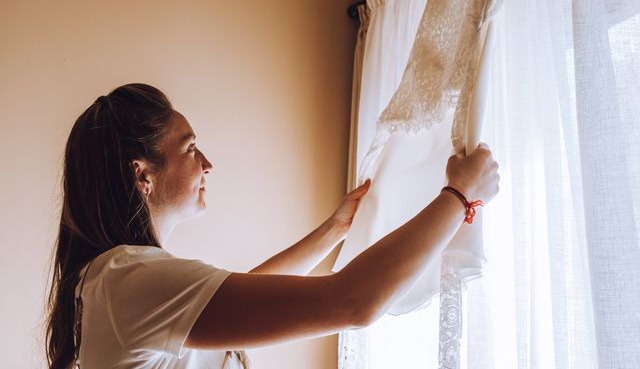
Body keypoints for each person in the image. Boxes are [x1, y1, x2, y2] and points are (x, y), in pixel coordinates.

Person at [45, 83, 499, 369]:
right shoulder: (132, 278)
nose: (207, 164)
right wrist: (458, 196)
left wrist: (334, 230)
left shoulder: (115, 280)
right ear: (143, 174)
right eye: (190, 148)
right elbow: (352, 303)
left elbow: (244, 298)